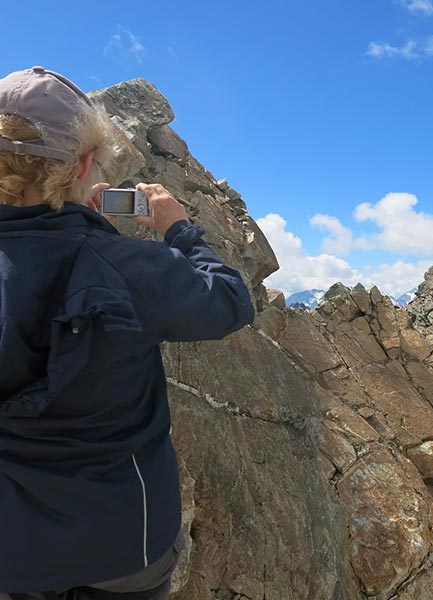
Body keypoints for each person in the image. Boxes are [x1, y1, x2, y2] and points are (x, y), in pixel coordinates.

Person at [0, 67, 255, 599]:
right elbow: (229, 302)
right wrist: (178, 230)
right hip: (122, 544)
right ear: (84, 163)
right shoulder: (129, 265)